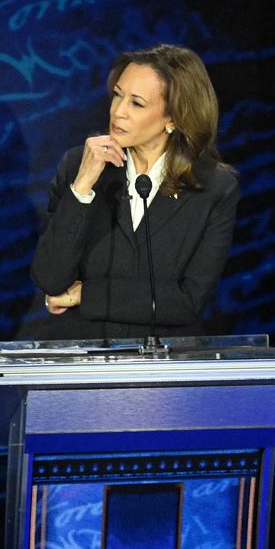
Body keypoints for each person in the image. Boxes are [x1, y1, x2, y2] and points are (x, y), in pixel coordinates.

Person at [32, 44, 237, 337]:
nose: (118, 112)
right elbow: (50, 279)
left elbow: (186, 301)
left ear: (174, 118)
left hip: (162, 369)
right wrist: (83, 187)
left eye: (136, 104)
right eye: (118, 95)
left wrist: (84, 295)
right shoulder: (79, 164)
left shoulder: (214, 188)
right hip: (80, 359)